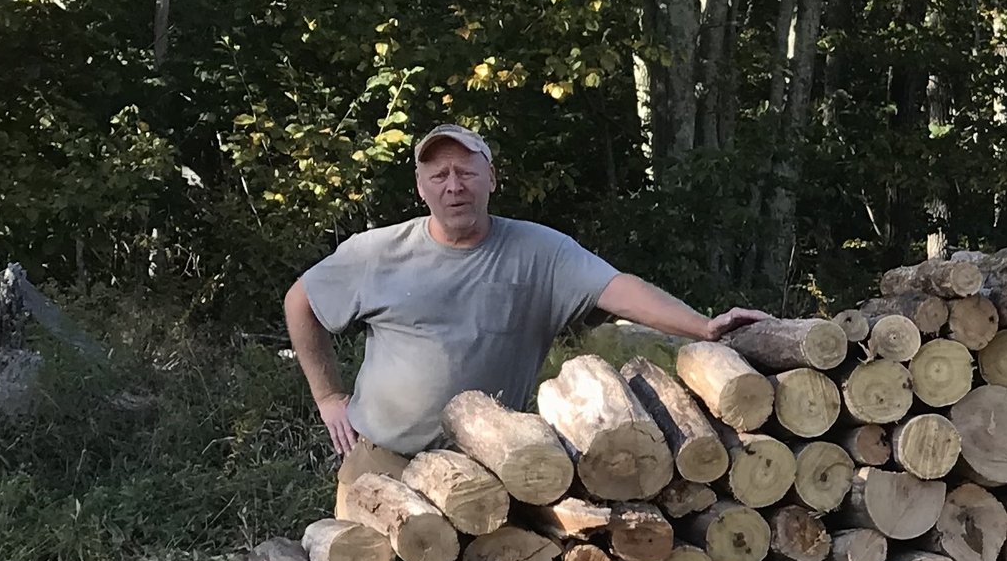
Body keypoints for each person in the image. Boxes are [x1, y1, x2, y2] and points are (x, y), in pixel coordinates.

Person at [284, 124, 769, 456]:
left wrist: (704, 327)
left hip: (495, 461)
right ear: (421, 186)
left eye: (467, 171)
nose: (454, 186)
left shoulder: (541, 252)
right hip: (380, 457)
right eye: (439, 175)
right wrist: (328, 395)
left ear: (491, 178)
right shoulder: (376, 253)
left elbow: (619, 289)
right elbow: (300, 301)